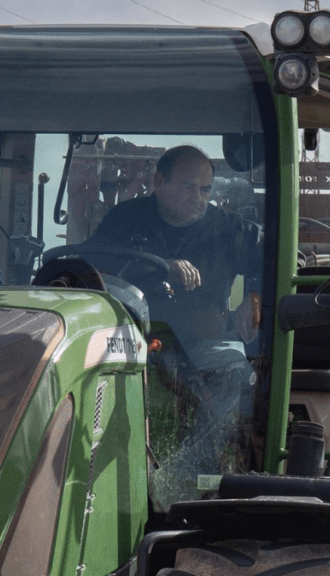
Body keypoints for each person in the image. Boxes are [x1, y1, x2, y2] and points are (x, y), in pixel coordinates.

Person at [87, 144, 264, 506]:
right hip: (130, 343)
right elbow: (93, 263)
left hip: (204, 347)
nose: (198, 198)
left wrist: (255, 295)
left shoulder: (227, 228)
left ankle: (180, 484)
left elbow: (279, 256)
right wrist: (161, 265)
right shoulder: (125, 219)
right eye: (188, 187)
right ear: (158, 182)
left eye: (205, 189)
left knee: (236, 370)